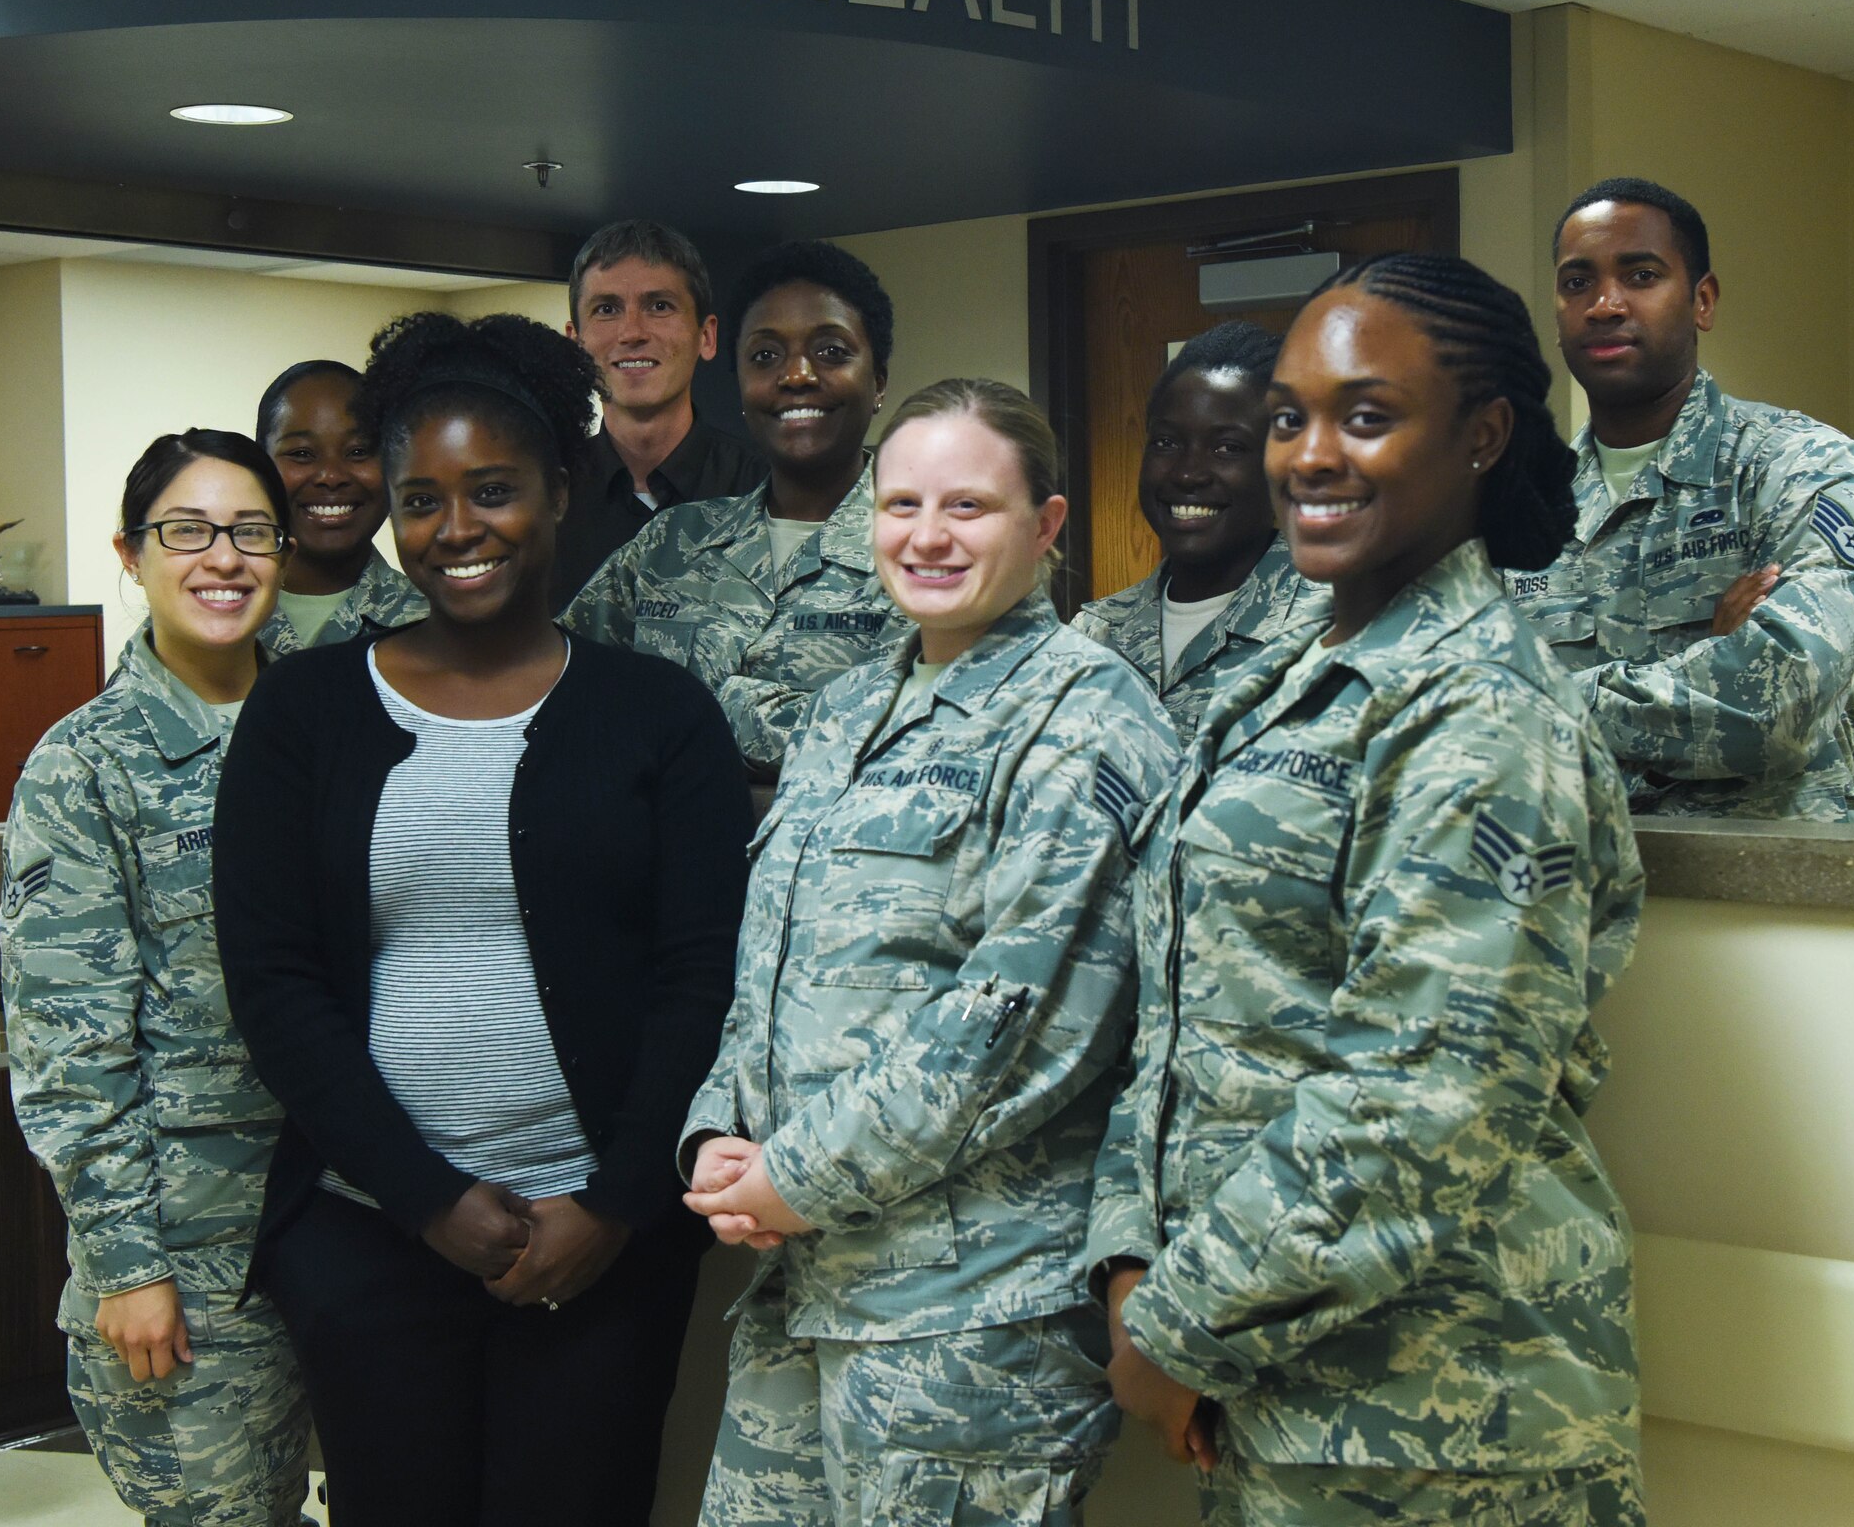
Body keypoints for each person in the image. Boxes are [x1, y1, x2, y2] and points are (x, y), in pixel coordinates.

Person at [1092, 256, 1646, 1527]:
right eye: (1288, 417)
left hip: (1443, 1420)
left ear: (1482, 435)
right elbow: (1182, 1001)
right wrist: (1129, 1257)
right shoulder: (1297, 661)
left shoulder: (1479, 707)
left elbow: (1423, 1091)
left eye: (1365, 414)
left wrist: (1173, 1324)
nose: (1308, 455)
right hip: (1273, 1385)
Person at [214, 312, 752, 1527]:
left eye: (494, 489)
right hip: (372, 1238)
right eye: (422, 499)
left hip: (601, 1244)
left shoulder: (654, 713)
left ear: (561, 491)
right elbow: (275, 980)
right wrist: (425, 1198)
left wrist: (614, 1202)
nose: (456, 529)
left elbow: (696, 972)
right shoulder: (305, 712)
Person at [683, 378, 1179, 1527]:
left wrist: (791, 1177)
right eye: (900, 502)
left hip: (966, 1313)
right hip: (804, 1284)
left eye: (968, 505)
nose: (927, 535)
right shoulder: (844, 709)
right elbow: (773, 960)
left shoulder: (1084, 721)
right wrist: (718, 1130)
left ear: (1046, 527)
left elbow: (1012, 1029)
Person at [0, 429, 311, 1527]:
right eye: (186, 531)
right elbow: (70, 1053)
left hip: (354, 1228)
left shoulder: (333, 723)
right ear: (131, 554)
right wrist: (127, 1265)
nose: (221, 557)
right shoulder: (84, 765)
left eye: (250, 531)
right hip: (192, 1254)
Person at [1510, 176, 1854, 820]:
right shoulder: (1516, 506)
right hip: (1567, 894)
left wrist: (1525, 706)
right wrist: (1705, 663)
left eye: (1642, 275)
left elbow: (1775, 704)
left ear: (1702, 301)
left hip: (1761, 898)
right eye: (1577, 283)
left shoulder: (1801, 465)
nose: (1604, 304)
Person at [562, 240, 910, 781]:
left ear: (879, 380)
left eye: (832, 352)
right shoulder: (670, 543)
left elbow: (911, 747)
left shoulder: (928, 553)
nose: (796, 375)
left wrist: (684, 713)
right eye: (765, 356)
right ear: (742, 384)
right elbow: (561, 687)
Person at [1072, 320, 1324, 742]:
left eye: (1228, 448)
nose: (1188, 473)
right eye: (1167, 443)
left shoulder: (1332, 628)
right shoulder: (1093, 634)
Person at [551, 218, 769, 609]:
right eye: (606, 309)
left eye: (659, 306)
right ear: (575, 343)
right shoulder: (543, 498)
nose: (632, 332)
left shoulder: (767, 491)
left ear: (706, 337)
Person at [254, 359, 426, 655]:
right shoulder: (211, 610)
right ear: (260, 466)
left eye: (359, 451)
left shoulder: (435, 629)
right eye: (302, 453)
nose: (331, 476)